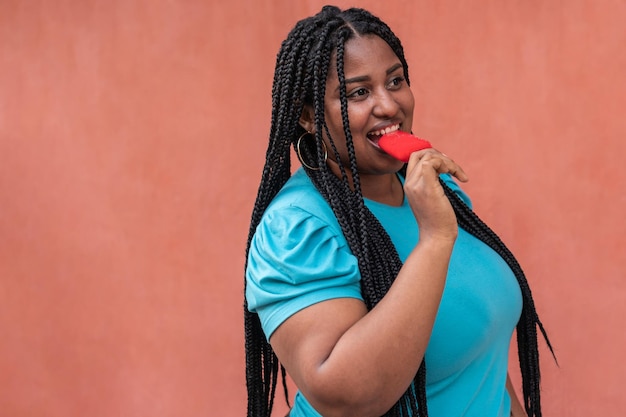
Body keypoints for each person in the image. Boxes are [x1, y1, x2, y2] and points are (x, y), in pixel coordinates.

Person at [244, 5, 554, 417]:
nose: (389, 105)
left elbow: (480, 363)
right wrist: (435, 240)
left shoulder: (431, 191)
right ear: (307, 117)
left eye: (395, 81)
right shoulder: (297, 227)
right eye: (358, 92)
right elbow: (346, 398)